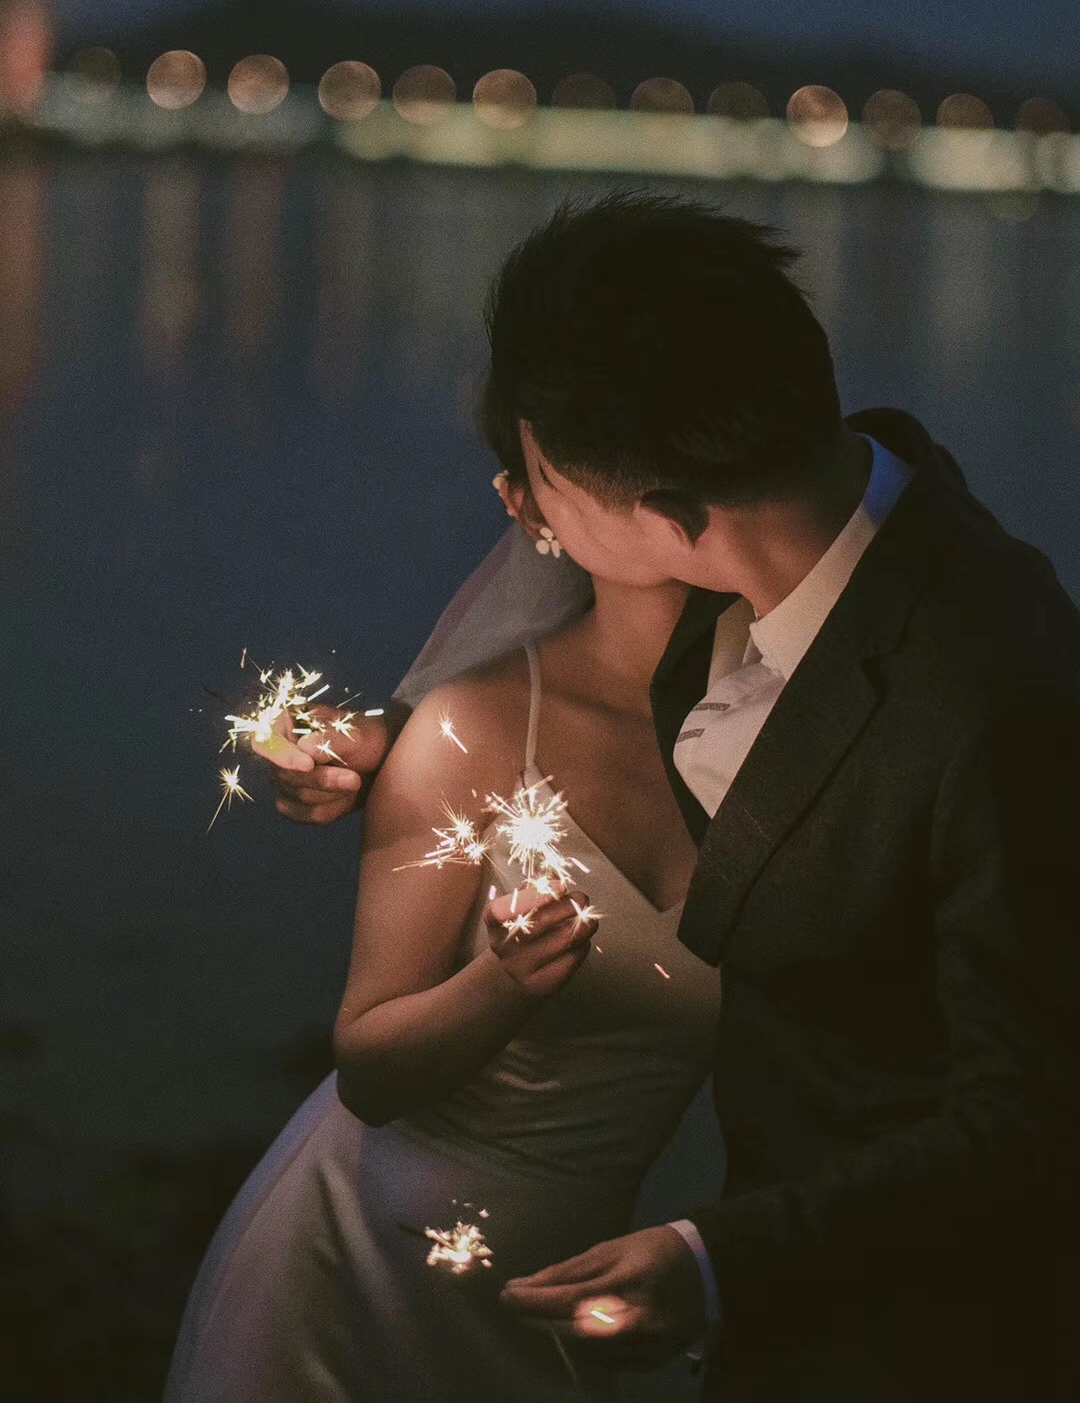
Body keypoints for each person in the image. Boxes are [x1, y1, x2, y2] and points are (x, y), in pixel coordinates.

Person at [263, 193, 1080, 1400]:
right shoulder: (798, 537)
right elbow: (610, 704)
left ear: (661, 518)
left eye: (543, 478)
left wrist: (718, 1269)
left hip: (906, 1344)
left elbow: (1034, 1117)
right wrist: (397, 750)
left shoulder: (992, 688)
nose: (520, 507)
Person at [164, 460, 724, 1400]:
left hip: (577, 1285)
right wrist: (500, 983)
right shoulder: (476, 726)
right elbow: (370, 1071)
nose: (649, 483)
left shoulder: (790, 740)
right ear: (526, 501)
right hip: (360, 1268)